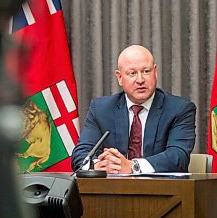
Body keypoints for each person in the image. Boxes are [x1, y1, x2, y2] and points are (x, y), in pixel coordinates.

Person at [71, 45, 196, 174]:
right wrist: (98, 166)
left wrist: (133, 166)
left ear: (155, 72)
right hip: (111, 192)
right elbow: (80, 154)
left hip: (162, 190)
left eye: (146, 71)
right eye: (132, 73)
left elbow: (178, 157)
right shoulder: (101, 109)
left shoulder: (179, 109)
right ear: (119, 77)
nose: (140, 80)